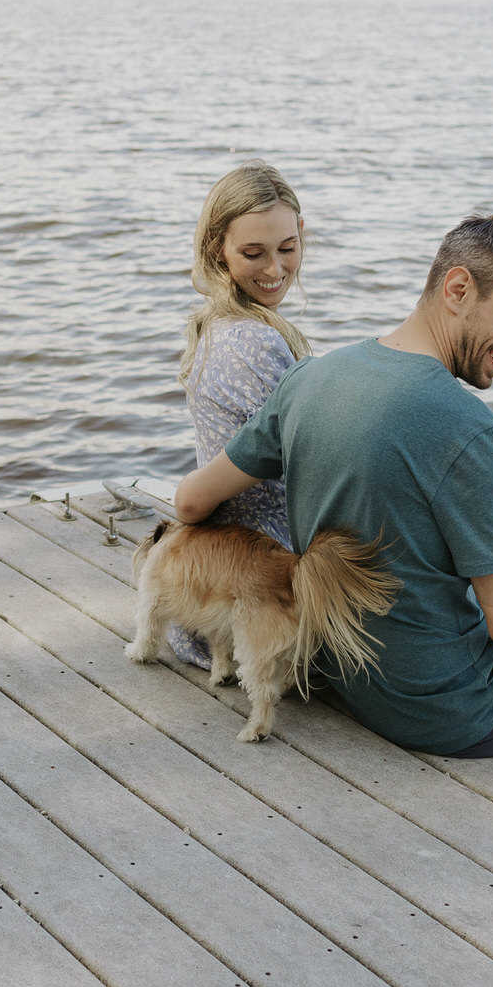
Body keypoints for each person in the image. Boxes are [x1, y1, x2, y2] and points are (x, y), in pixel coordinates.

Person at [174, 211, 493, 753]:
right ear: (457, 289)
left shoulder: (312, 378)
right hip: (447, 708)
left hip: (350, 675)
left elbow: (191, 501)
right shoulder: (470, 431)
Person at [167, 159, 312, 668]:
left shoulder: (221, 324)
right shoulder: (251, 340)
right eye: (253, 253)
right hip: (265, 600)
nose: (275, 270)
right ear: (217, 252)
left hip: (223, 596)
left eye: (287, 248)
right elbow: (314, 457)